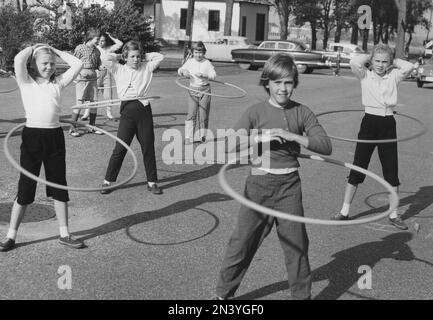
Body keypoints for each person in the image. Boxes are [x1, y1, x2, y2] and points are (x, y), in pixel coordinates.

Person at [215, 53, 332, 300]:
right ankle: (222, 296)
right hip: (258, 184)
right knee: (241, 244)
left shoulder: (302, 112)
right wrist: (262, 137)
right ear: (267, 82)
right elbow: (227, 145)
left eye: (288, 82)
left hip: (289, 187)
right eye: (277, 82)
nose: (283, 88)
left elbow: (325, 145)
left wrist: (295, 137)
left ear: (295, 84)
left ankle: (302, 297)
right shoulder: (255, 112)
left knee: (297, 247)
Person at [0, 44, 85, 252]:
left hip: (54, 137)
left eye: (52, 64)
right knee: (26, 187)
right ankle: (10, 236)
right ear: (34, 65)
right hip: (32, 138)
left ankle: (64, 233)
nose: (49, 67)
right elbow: (19, 60)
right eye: (44, 63)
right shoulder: (26, 82)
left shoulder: (59, 82)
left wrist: (54, 50)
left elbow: (78, 63)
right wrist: (34, 47)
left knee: (59, 186)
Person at [331, 44, 418, 230]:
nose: (380, 65)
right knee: (358, 166)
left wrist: (393, 61)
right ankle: (344, 212)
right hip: (369, 123)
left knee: (391, 171)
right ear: (371, 61)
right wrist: (371, 57)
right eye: (377, 61)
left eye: (384, 62)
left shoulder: (394, 75)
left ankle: (394, 215)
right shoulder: (365, 74)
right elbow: (354, 61)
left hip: (387, 123)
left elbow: (409, 67)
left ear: (390, 63)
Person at [99, 41, 164, 195]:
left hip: (143, 110)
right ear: (126, 57)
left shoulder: (146, 67)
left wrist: (144, 55)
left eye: (138, 56)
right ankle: (108, 181)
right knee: (120, 147)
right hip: (127, 111)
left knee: (148, 147)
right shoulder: (118, 69)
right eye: (132, 56)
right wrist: (120, 55)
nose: (136, 59)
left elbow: (159, 56)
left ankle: (152, 182)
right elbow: (104, 58)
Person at [178, 41, 216, 144]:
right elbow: (180, 69)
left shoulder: (207, 63)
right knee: (191, 115)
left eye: (200, 52)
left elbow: (213, 74)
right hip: (193, 90)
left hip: (205, 91)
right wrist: (183, 72)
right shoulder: (190, 62)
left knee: (203, 116)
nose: (198, 55)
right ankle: (188, 137)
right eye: (196, 52)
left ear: (204, 53)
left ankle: (203, 136)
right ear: (192, 52)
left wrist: (205, 76)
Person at [69, 27, 102, 137]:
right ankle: (72, 128)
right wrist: (76, 74)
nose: (98, 41)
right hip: (82, 79)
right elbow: (73, 62)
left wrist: (101, 67)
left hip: (93, 78)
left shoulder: (97, 51)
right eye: (97, 39)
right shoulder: (80, 48)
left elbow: (98, 64)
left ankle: (92, 127)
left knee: (94, 103)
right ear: (90, 38)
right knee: (80, 103)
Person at [96, 32, 123, 120]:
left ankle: (109, 113)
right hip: (97, 74)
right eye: (100, 40)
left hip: (107, 74)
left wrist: (111, 36)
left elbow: (120, 44)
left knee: (108, 95)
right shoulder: (95, 48)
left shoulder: (109, 49)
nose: (101, 42)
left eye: (103, 41)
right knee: (93, 94)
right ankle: (87, 113)